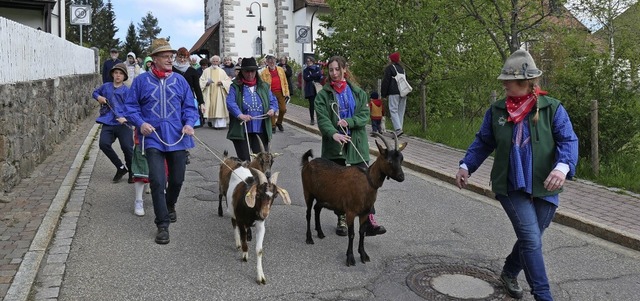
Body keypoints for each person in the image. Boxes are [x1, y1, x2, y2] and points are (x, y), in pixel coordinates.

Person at [455, 49, 578, 301]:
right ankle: (544, 296)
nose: (503, 84)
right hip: (510, 184)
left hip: (546, 183)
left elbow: (568, 140)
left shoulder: (552, 108)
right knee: (532, 240)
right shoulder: (497, 111)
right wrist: (466, 165)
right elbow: (483, 142)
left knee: (530, 237)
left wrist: (562, 167)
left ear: (525, 82)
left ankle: (510, 271)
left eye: (507, 81)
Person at [124, 38, 199, 245]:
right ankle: (162, 224)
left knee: (177, 179)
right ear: (154, 59)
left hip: (178, 137)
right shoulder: (141, 81)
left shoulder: (180, 80)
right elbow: (130, 107)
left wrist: (189, 123)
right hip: (153, 138)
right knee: (157, 181)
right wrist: (140, 123)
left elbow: (189, 107)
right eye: (166, 56)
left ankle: (170, 204)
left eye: (171, 56)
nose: (170, 59)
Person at [314, 55, 387, 237]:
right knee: (340, 185)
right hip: (335, 145)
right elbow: (323, 119)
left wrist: (350, 121)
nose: (334, 73)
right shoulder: (323, 95)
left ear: (344, 69)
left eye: (337, 69)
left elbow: (364, 115)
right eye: (331, 70)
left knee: (366, 182)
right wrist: (333, 133)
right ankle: (342, 219)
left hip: (356, 143)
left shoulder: (358, 93)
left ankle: (369, 219)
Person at [226, 57, 278, 161]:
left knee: (260, 160)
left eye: (252, 71)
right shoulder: (235, 87)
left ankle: (261, 178)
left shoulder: (264, 86)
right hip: (242, 129)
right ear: (242, 72)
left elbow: (273, 100)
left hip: (260, 128)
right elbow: (230, 102)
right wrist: (240, 115)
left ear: (256, 71)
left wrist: (272, 109)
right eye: (247, 71)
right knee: (245, 160)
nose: (250, 74)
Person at [92, 63, 133, 183]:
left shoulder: (127, 91)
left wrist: (125, 118)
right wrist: (98, 97)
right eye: (116, 73)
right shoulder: (106, 87)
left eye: (120, 73)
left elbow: (132, 107)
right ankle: (120, 167)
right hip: (108, 121)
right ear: (112, 74)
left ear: (124, 76)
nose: (118, 75)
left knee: (127, 148)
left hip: (123, 124)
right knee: (103, 144)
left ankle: (132, 172)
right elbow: (95, 93)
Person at [173, 47, 205, 126]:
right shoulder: (171, 69)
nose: (182, 60)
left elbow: (197, 88)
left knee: (188, 123)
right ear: (176, 57)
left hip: (188, 98)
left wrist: (201, 102)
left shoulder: (192, 71)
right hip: (174, 98)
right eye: (180, 57)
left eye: (185, 58)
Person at [260, 55, 290, 133]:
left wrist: (287, 92)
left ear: (275, 62)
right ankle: (273, 125)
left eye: (273, 61)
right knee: (272, 109)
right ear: (267, 63)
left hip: (280, 92)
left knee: (283, 109)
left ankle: (279, 122)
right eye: (270, 62)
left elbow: (285, 81)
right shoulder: (264, 72)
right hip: (270, 93)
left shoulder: (280, 70)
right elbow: (262, 84)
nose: (272, 63)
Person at [200, 55, 231, 129]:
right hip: (209, 91)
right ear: (211, 61)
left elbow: (228, 81)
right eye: (214, 61)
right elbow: (201, 80)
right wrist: (206, 83)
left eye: (217, 61)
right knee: (211, 106)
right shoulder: (206, 71)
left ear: (219, 62)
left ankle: (220, 125)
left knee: (219, 107)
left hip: (219, 92)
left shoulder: (221, 71)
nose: (215, 63)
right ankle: (212, 122)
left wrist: (222, 82)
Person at [381, 51, 407, 137]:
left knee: (393, 109)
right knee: (401, 111)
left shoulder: (390, 68)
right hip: (403, 92)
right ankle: (399, 128)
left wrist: (383, 94)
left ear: (391, 59)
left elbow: (386, 81)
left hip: (394, 92)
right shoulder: (402, 69)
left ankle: (398, 129)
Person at [303, 57, 323, 125]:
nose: (308, 62)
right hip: (310, 89)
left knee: (319, 104)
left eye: (309, 61)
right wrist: (315, 75)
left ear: (312, 61)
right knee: (312, 104)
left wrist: (311, 75)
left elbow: (320, 75)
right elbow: (306, 78)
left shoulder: (317, 68)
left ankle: (320, 118)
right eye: (307, 61)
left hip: (317, 88)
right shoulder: (305, 70)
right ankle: (312, 118)